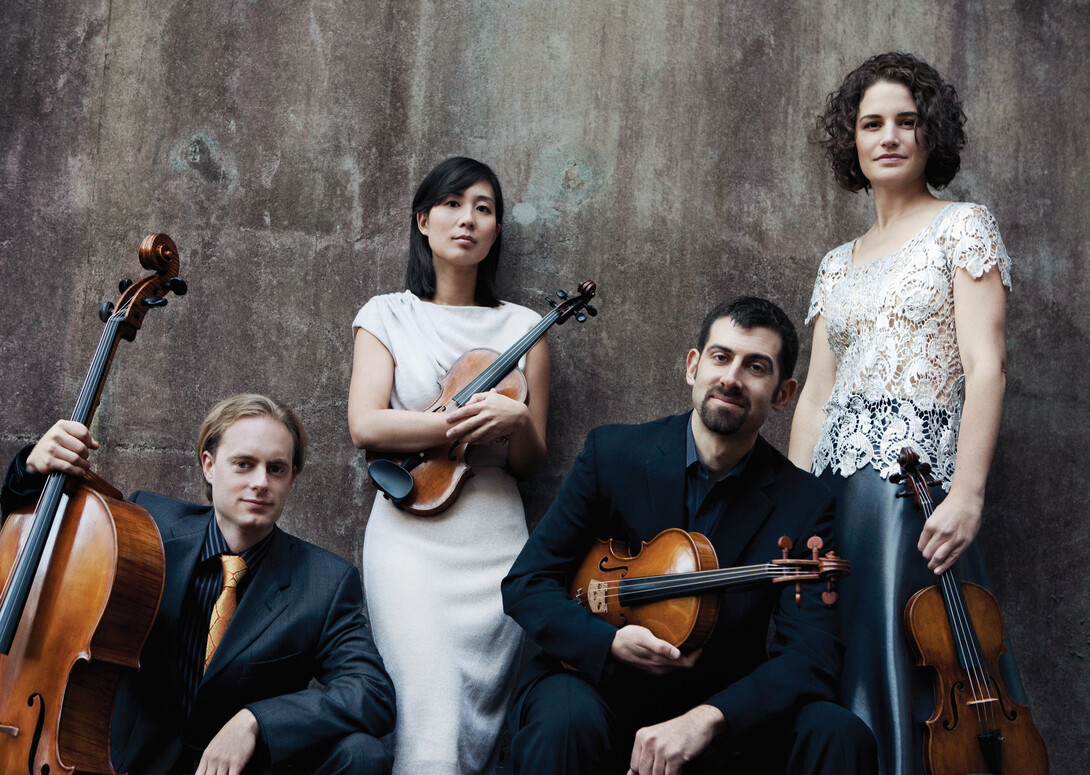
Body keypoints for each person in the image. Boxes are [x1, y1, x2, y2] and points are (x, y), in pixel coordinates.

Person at [502, 296, 877, 775]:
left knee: (839, 732)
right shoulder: (611, 453)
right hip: (599, 687)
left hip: (720, 712)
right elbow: (528, 584)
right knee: (564, 720)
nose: (731, 378)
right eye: (720, 357)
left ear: (783, 394)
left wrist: (709, 719)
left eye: (755, 367)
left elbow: (812, 655)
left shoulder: (804, 504)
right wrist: (608, 645)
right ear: (693, 367)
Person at [787, 52, 1025, 775]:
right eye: (871, 123)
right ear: (851, 142)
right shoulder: (837, 261)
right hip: (834, 494)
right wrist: (791, 516)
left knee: (917, 671)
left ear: (930, 134)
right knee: (830, 661)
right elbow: (816, 399)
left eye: (906, 121)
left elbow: (988, 366)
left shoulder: (963, 226)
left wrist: (968, 495)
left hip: (911, 494)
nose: (888, 135)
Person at [1, 394, 396, 775]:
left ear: (292, 477)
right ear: (208, 465)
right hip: (121, 761)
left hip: (241, 769)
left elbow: (372, 691)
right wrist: (31, 471)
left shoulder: (325, 580)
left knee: (362, 752)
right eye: (243, 464)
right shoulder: (144, 530)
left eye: (276, 468)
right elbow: (41, 536)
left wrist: (255, 721)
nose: (261, 482)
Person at [348, 156, 549, 774]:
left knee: (481, 730)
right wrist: (453, 423)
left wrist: (516, 422)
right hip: (408, 534)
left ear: (495, 232)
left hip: (494, 541)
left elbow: (529, 461)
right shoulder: (386, 313)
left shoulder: (526, 327)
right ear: (423, 220)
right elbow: (367, 425)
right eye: (454, 204)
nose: (468, 219)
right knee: (425, 710)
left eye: (483, 209)